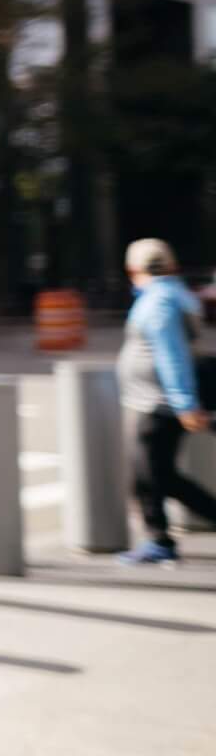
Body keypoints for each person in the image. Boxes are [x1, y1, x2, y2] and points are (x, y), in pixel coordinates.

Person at [115, 237, 215, 565]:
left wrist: (184, 402)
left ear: (133, 270)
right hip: (157, 400)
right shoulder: (175, 294)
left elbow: (172, 355)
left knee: (150, 475)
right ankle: (159, 539)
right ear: (172, 266)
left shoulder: (159, 301)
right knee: (155, 474)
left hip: (154, 403)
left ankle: (159, 541)